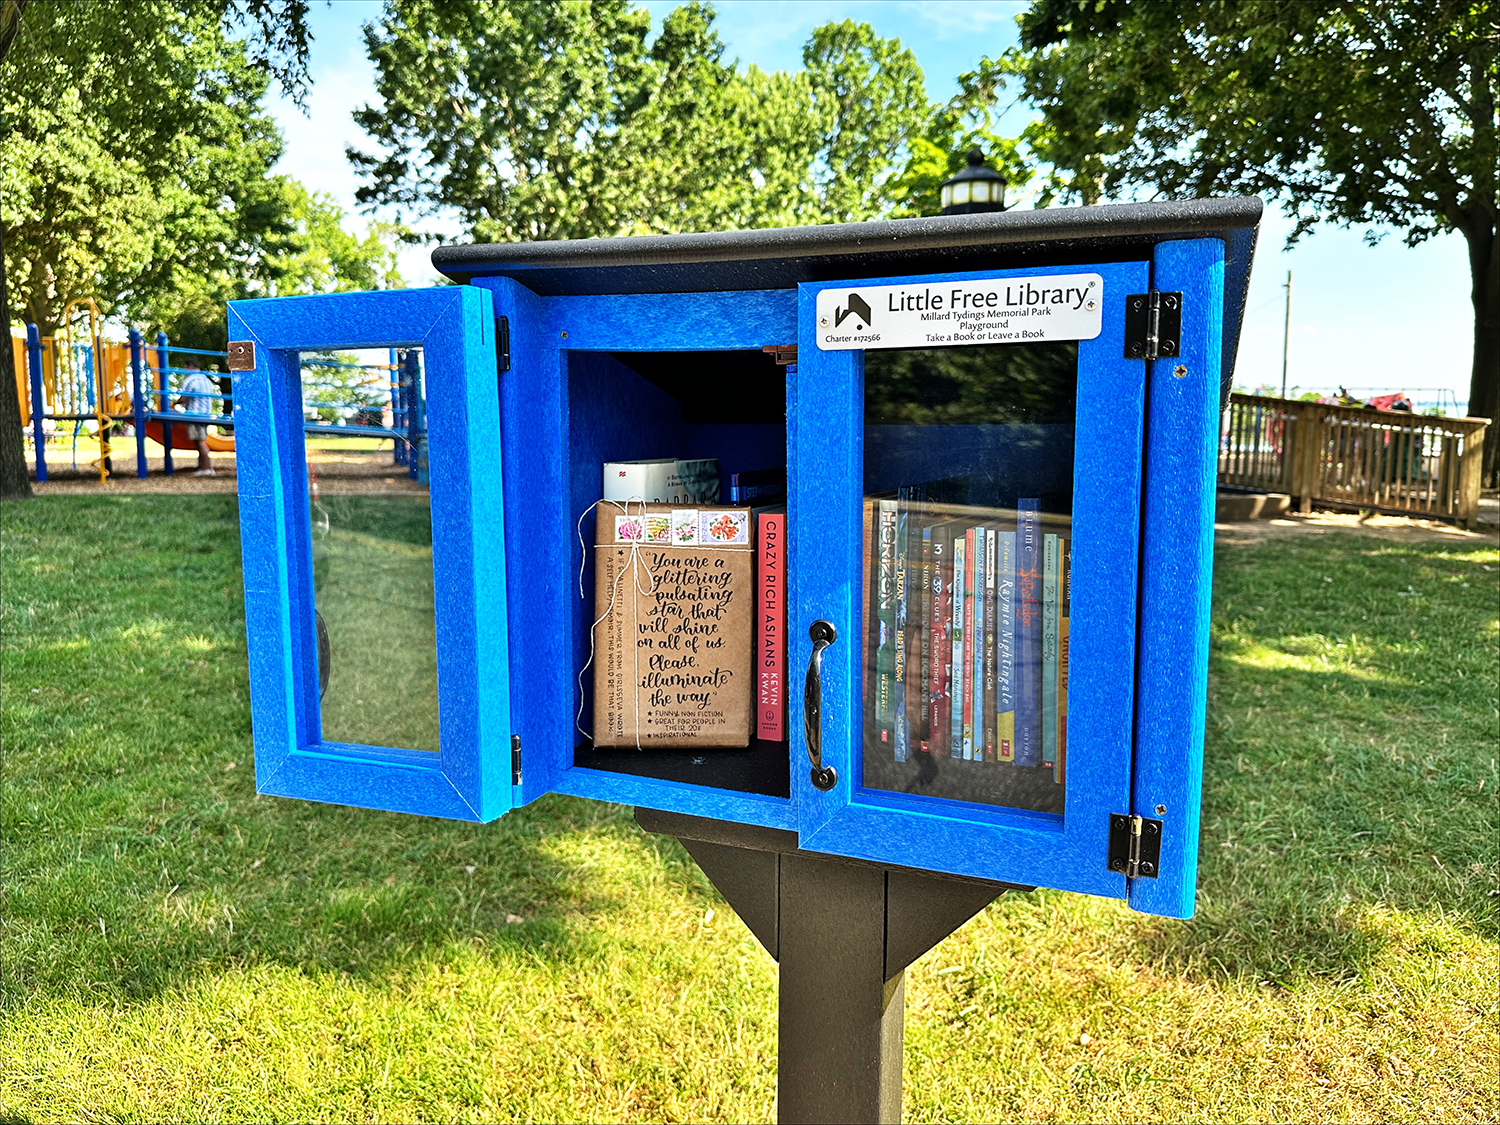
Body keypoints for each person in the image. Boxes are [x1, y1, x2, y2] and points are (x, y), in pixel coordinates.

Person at [175, 357, 218, 476]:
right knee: (200, 440)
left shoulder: (191, 380)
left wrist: (174, 403)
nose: (184, 370)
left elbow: (184, 398)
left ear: (190, 366)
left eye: (185, 368)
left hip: (195, 414)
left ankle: (207, 468)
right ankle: (205, 467)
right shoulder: (206, 379)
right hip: (206, 413)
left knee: (200, 441)